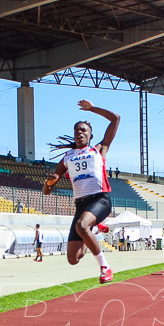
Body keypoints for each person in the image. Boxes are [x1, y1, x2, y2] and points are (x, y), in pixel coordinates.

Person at [43, 100, 119, 283]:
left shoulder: (99, 149)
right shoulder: (67, 158)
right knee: (73, 259)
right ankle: (94, 228)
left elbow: (115, 119)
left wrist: (92, 109)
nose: (80, 132)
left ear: (91, 135)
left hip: (100, 199)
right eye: (77, 130)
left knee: (81, 226)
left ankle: (105, 267)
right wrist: (49, 184)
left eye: (84, 130)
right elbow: (47, 189)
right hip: (81, 205)